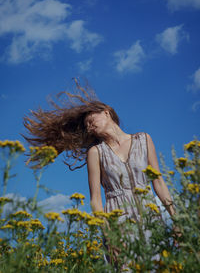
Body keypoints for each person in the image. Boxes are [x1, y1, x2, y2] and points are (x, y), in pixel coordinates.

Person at [23, 79, 179, 270]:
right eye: (86, 126)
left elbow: (159, 183)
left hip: (151, 218)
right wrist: (109, 236)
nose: (89, 127)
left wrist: (176, 220)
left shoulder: (144, 139)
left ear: (106, 112)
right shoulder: (96, 153)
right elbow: (96, 200)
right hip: (118, 223)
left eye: (91, 121)